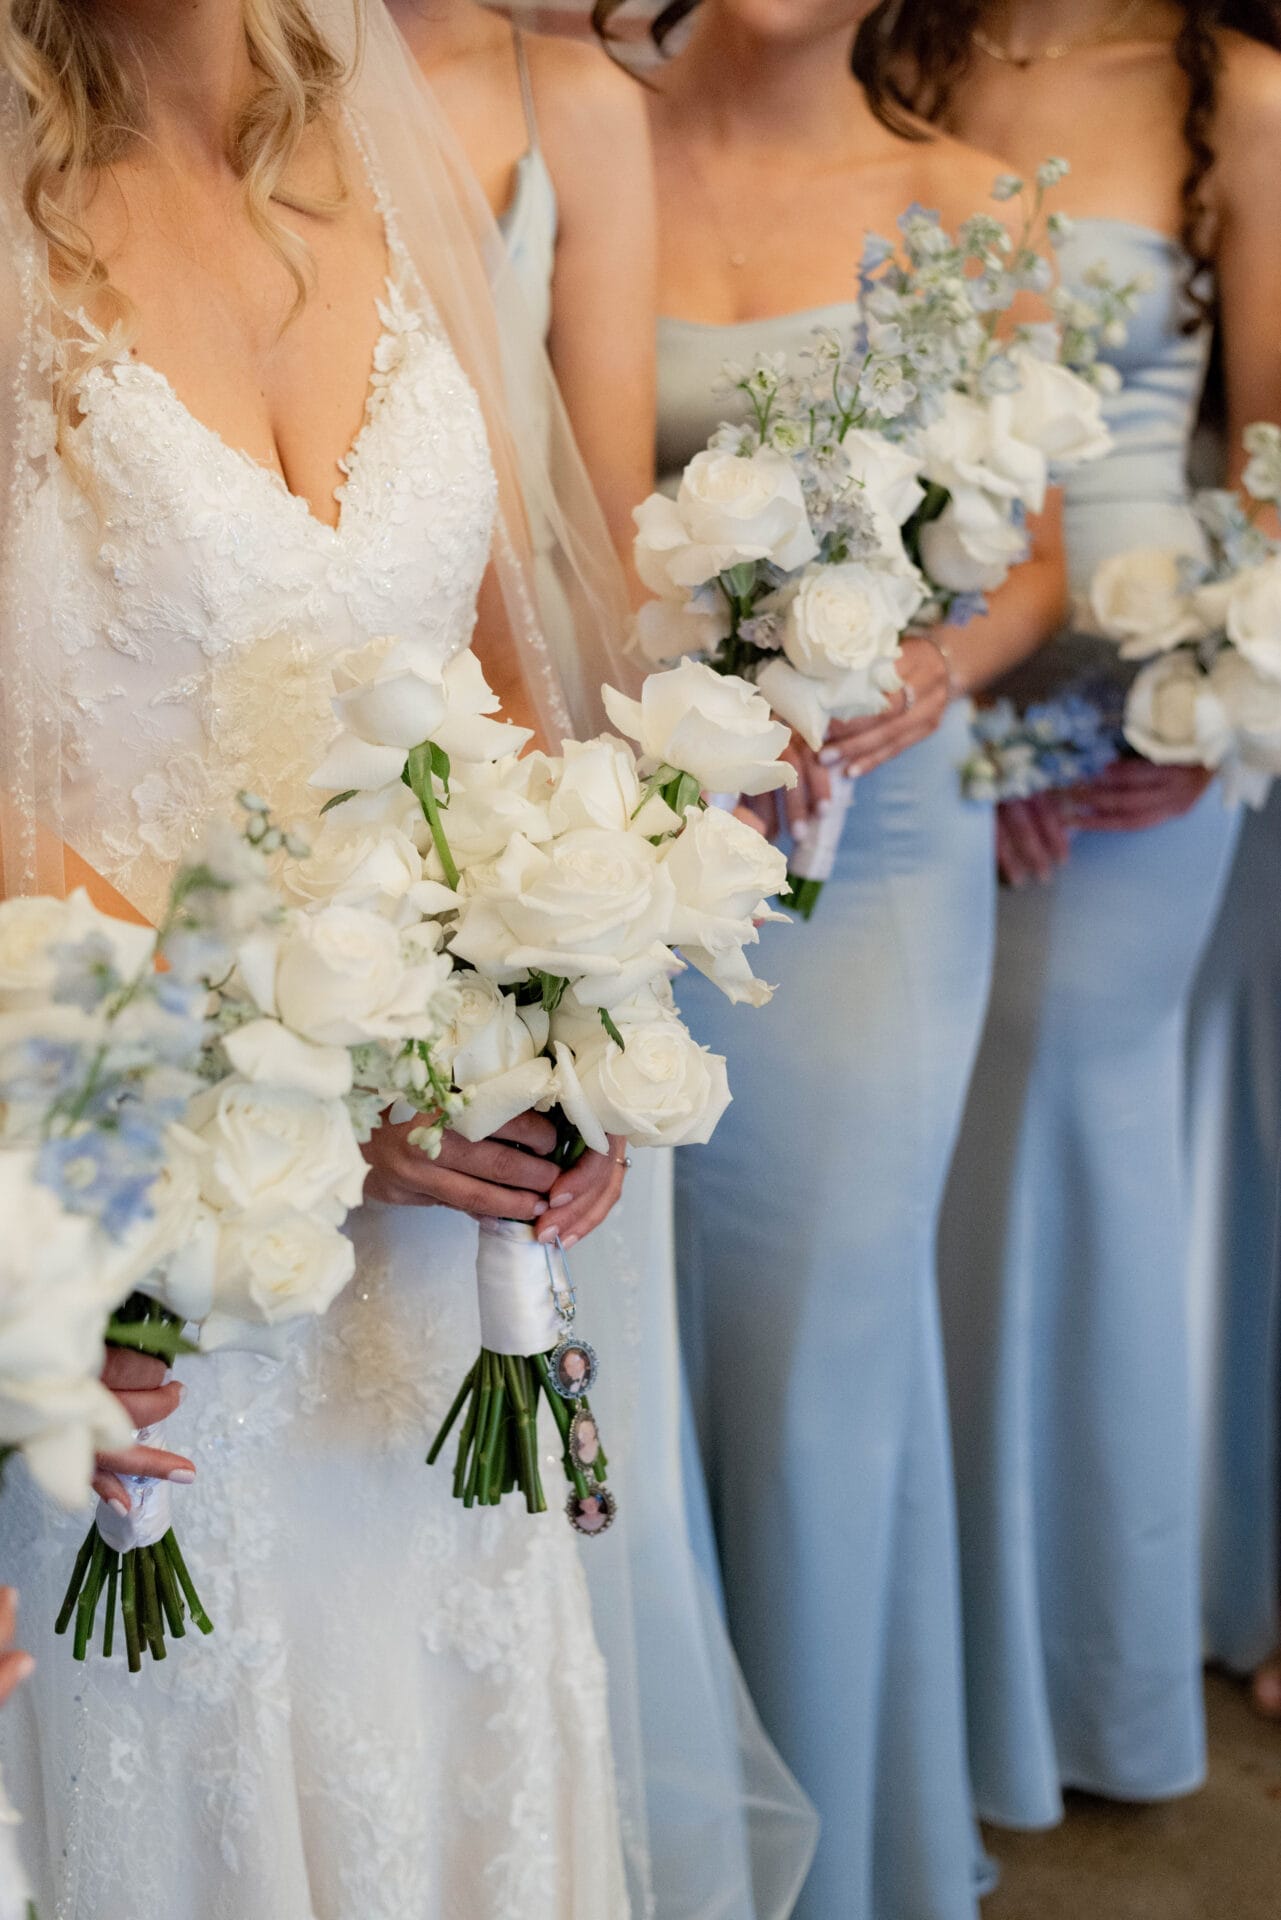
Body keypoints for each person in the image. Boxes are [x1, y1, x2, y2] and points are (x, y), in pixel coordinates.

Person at [0, 2, 637, 1913]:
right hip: (122, 1176)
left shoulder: (387, 167)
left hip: (439, 1243)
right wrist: (308, 1071)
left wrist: (558, 1022)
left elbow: (508, 677)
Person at [618, 0, 1070, 1909]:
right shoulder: (572, 139)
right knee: (642, 1360)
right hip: (635, 851)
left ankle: (853, 1863)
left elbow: (1027, 560)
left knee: (821, 1348)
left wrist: (925, 667)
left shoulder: (966, 203)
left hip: (878, 858)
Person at [391, 12, 821, 1913]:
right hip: (270, 763)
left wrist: (579, 893)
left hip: (508, 781)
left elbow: (591, 541)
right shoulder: (198, 80)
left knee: (535, 1358)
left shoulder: (569, 93)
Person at [855, 0, 1281, 1829]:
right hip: (932, 682)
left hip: (1142, 729)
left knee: (1078, 1144)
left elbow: (1268, 464)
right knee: (923, 1172)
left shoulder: (1240, 97)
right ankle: (948, 1678)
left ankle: (1089, 1678)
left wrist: (1205, 711)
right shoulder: (886, 55)